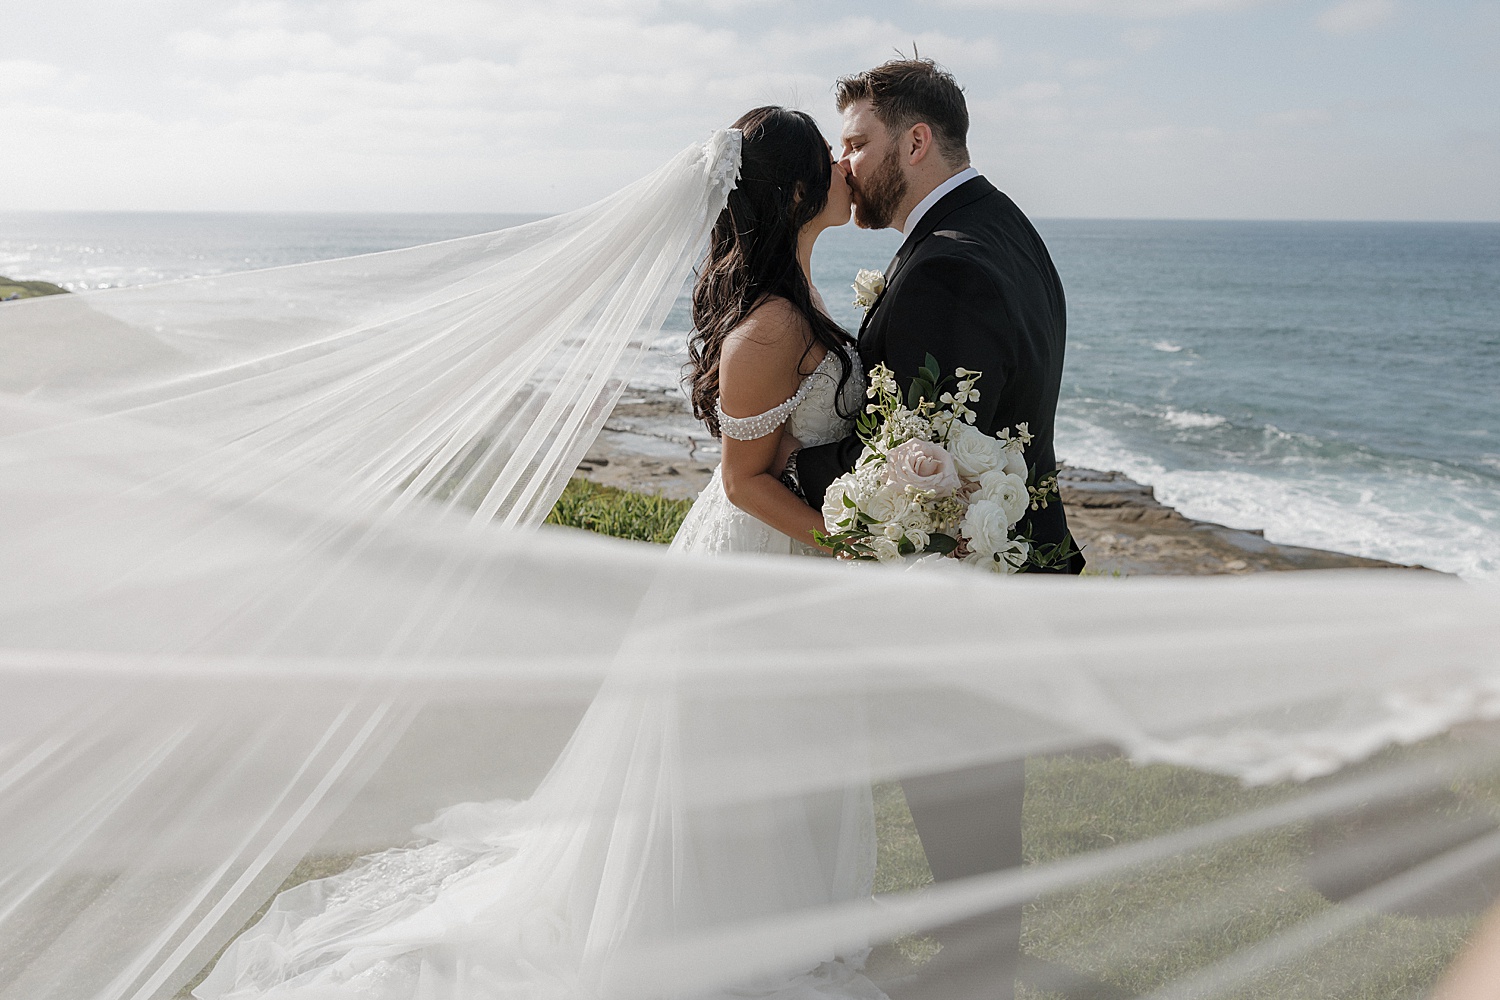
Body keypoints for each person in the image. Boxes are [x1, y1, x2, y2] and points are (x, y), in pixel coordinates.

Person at [669, 107, 863, 556]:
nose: (843, 169)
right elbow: (743, 482)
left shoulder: (800, 297)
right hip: (776, 545)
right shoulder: (773, 324)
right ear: (798, 192)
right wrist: (853, 548)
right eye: (829, 157)